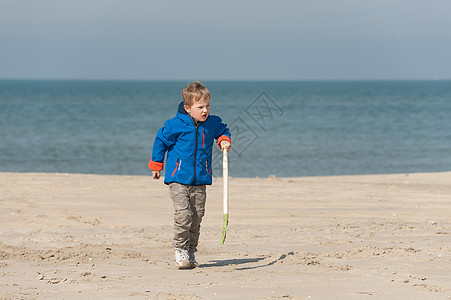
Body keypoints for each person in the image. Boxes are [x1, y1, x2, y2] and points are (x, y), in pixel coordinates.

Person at [148, 81, 231, 269]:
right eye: (200, 107)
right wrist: (156, 165)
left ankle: (191, 251)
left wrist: (224, 140)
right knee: (184, 213)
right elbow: (161, 141)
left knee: (197, 215)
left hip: (200, 178)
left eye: (207, 106)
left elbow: (223, 130)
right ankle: (180, 249)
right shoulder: (175, 125)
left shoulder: (212, 123)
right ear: (187, 107)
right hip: (178, 178)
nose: (205, 110)